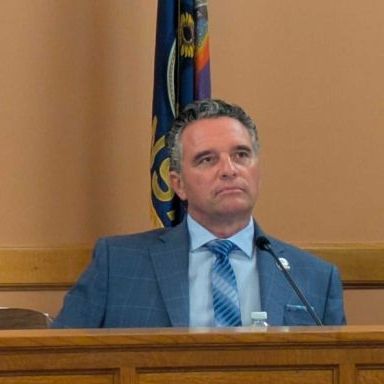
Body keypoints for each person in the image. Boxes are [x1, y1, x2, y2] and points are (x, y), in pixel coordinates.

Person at [53, 99, 345, 328]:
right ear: (178, 184)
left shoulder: (315, 278)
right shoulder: (117, 265)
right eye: (207, 159)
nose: (229, 170)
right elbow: (60, 363)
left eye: (241, 155)